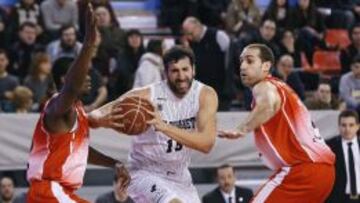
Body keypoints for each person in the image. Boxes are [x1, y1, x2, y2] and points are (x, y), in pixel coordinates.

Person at [26, 2, 129, 202]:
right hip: (47, 190)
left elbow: (80, 151)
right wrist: (88, 44)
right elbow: (71, 87)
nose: (89, 78)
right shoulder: (57, 105)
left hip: (58, 193)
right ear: (66, 79)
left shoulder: (76, 110)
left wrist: (113, 163)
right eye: (84, 74)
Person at [93, 46, 218, 203]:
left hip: (180, 176)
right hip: (144, 173)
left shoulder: (205, 95)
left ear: (194, 69)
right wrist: (102, 121)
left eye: (185, 69)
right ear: (165, 73)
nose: (181, 76)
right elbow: (96, 115)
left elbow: (206, 144)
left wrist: (165, 127)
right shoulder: (145, 96)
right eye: (174, 71)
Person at [218, 43, 335, 203]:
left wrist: (241, 129)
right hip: (324, 173)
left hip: (302, 170)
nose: (243, 66)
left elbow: (268, 104)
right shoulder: (282, 87)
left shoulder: (264, 85)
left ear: (266, 66)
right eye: (241, 61)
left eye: (250, 61)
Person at [326, 110, 360, 203]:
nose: (347, 129)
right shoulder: (329, 147)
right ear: (339, 126)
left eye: (351, 125)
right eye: (344, 125)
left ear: (358, 126)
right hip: (338, 198)